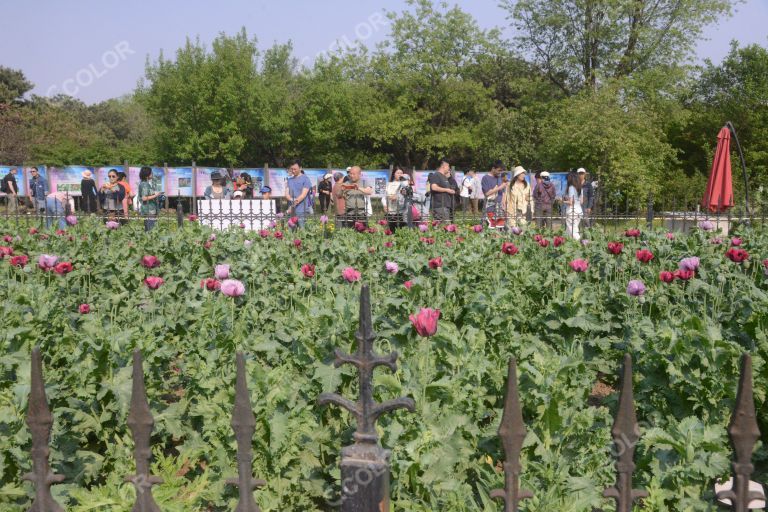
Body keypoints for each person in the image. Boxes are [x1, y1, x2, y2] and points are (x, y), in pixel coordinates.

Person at [285, 160, 312, 227]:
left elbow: (303, 195)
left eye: (295, 169)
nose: (293, 171)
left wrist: (292, 206)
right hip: (291, 211)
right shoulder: (289, 180)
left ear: (300, 168)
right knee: (291, 232)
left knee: (302, 231)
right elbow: (286, 194)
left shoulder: (305, 179)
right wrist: (290, 199)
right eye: (292, 169)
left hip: (301, 210)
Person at [481, 160, 506, 226]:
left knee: (499, 227)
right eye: (499, 170)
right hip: (490, 207)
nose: (500, 172)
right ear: (493, 168)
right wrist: (499, 188)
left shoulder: (499, 178)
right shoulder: (485, 178)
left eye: (501, 171)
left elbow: (503, 192)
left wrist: (503, 203)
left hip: (499, 208)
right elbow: (486, 193)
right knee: (490, 227)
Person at [138, 166, 161, 231]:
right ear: (147, 175)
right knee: (150, 229)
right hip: (149, 210)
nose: (152, 174)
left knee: (150, 228)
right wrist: (156, 195)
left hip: (150, 209)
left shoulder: (145, 183)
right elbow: (144, 198)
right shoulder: (144, 184)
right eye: (151, 173)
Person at [564, 171, 584, 240]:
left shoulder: (571, 187)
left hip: (572, 211)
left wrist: (562, 201)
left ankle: (583, 243)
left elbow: (571, 202)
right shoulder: (580, 188)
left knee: (573, 231)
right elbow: (581, 201)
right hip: (579, 210)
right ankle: (566, 244)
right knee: (569, 231)